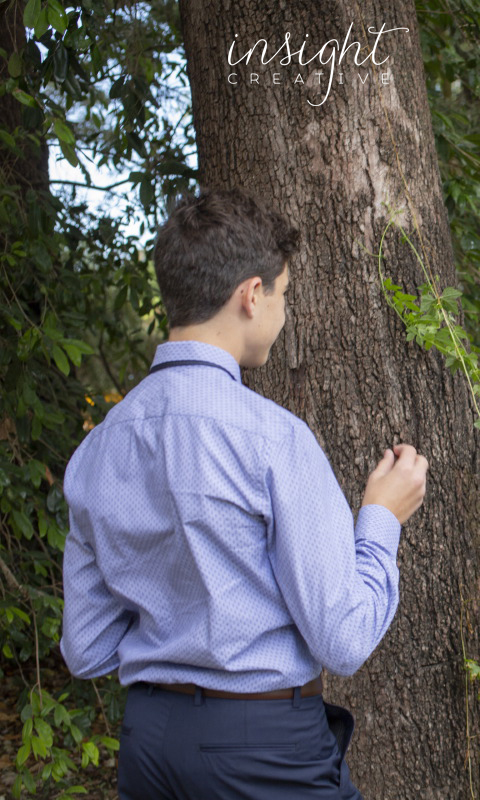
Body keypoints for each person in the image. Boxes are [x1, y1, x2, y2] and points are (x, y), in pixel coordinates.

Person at [60, 189, 428, 799]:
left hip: (149, 745)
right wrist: (381, 518)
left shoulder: (98, 451)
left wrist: (174, 639)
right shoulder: (273, 439)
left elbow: (87, 648)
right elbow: (343, 640)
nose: (282, 313)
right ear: (251, 296)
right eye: (282, 295)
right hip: (261, 750)